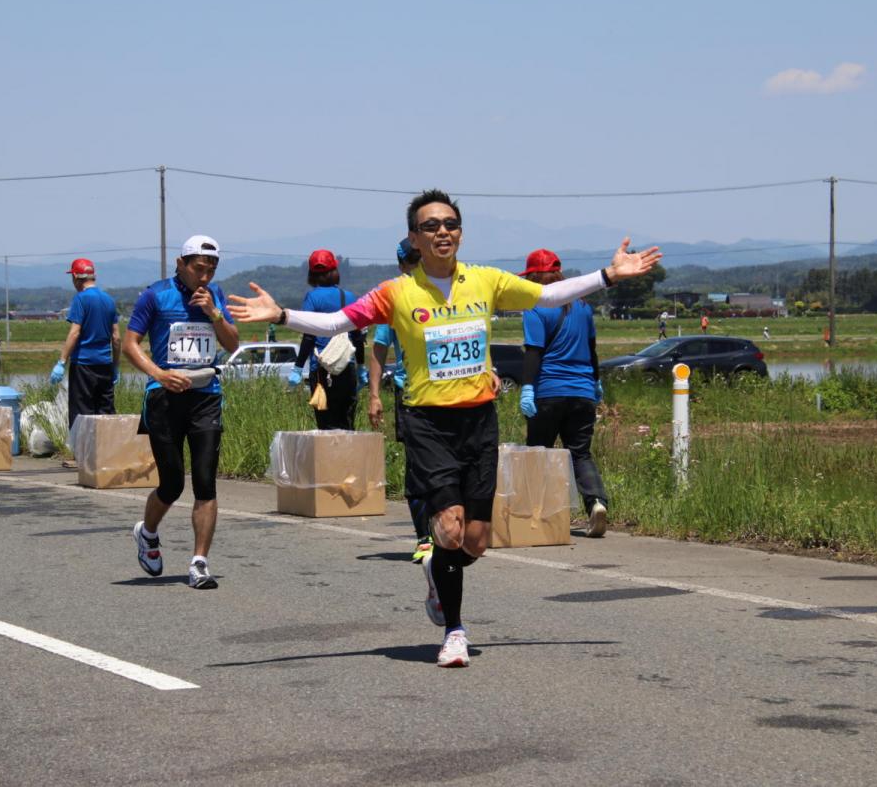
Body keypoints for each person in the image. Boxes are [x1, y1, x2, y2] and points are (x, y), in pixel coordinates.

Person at [228, 189, 660, 667]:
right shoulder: (396, 292)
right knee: (450, 528)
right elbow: (335, 323)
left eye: (450, 224)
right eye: (430, 225)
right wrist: (283, 315)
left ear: (460, 232)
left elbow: (548, 293)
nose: (442, 232)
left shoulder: (486, 282)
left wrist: (607, 275)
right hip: (427, 422)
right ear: (415, 237)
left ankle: (436, 566)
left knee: (475, 540)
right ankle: (454, 630)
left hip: (479, 420)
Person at [122, 234, 239, 590]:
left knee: (205, 482)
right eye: (199, 269)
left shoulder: (214, 296)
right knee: (171, 484)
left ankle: (199, 563)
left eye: (211, 270)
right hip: (164, 397)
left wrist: (215, 314)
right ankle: (148, 532)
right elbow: (129, 344)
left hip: (206, 396)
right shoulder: (155, 295)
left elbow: (233, 344)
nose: (205, 277)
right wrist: (158, 374)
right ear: (181, 264)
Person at [517, 249, 610, 538]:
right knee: (580, 453)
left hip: (549, 391)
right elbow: (592, 350)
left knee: (538, 454)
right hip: (582, 392)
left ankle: (538, 514)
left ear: (533, 277)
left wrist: (528, 388)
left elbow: (534, 352)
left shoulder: (535, 306)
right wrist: (595, 382)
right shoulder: (582, 305)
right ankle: (596, 503)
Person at [367, 239, 431, 562]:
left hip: (450, 395)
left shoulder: (443, 290)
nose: (417, 265)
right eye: (412, 260)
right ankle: (424, 538)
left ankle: (448, 529)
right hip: (412, 395)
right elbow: (379, 348)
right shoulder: (392, 299)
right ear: (401, 264)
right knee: (418, 468)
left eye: (420, 259)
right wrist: (374, 394)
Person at [288, 249, 367, 430]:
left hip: (321, 372)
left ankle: (327, 459)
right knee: (347, 424)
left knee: (325, 425)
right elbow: (357, 336)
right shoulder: (348, 297)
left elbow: (309, 335)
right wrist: (361, 366)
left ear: (311, 274)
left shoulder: (312, 297)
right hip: (346, 369)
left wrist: (298, 367)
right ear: (335, 271)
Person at [49, 258, 120, 433]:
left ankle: (82, 455)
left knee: (82, 412)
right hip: (104, 364)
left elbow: (75, 332)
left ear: (75, 276)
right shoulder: (109, 300)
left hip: (83, 365)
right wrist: (115, 366)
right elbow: (117, 337)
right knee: (105, 411)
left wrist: (62, 362)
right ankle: (107, 451)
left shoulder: (81, 299)